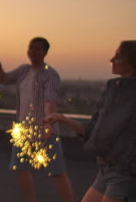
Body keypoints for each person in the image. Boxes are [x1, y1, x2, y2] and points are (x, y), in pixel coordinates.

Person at [46, 41, 136, 202]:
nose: (112, 59)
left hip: (125, 174)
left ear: (132, 61)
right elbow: (92, 130)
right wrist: (63, 119)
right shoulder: (112, 90)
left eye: (118, 56)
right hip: (104, 170)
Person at [0, 37, 74, 202]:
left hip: (45, 129)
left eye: (37, 49)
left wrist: (49, 122)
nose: (33, 52)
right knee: (19, 168)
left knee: (57, 171)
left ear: (45, 52)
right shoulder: (23, 71)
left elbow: (50, 100)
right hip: (23, 130)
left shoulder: (50, 74)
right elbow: (3, 79)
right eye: (31, 48)